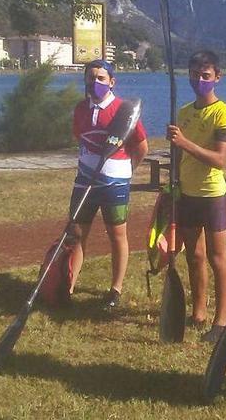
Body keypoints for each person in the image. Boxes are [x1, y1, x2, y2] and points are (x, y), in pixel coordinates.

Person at [165, 50, 226, 343]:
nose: (199, 80)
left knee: (217, 257)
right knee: (194, 257)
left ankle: (220, 321)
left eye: (205, 76)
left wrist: (184, 142)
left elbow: (220, 160)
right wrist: (173, 186)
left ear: (217, 77)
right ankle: (198, 312)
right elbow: (178, 156)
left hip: (212, 196)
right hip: (188, 195)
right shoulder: (183, 112)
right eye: (194, 74)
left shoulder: (223, 114)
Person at [68, 59, 148, 310]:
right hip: (84, 181)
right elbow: (80, 139)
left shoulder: (122, 110)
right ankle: (68, 285)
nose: (96, 82)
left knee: (117, 235)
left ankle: (116, 288)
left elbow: (141, 147)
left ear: (112, 82)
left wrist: (125, 173)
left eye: (101, 78)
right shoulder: (81, 109)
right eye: (91, 78)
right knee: (77, 234)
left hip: (115, 183)